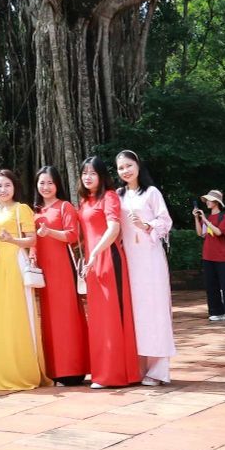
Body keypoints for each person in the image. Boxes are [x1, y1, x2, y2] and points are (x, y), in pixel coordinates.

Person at [0, 169, 50, 390]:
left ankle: (23, 369)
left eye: (7, 185)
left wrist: (11, 240)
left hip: (17, 264)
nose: (3, 190)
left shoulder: (22, 209)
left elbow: (32, 240)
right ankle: (1, 369)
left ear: (14, 187)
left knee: (19, 314)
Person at [79, 156, 141, 388]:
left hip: (108, 259)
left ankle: (116, 374)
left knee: (112, 316)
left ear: (102, 175)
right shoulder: (85, 201)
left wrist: (96, 252)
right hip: (92, 262)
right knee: (98, 319)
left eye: (92, 173)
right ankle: (102, 372)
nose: (87, 177)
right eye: (84, 173)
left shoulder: (110, 197)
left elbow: (113, 229)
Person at [115, 150, 175, 386]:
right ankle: (137, 367)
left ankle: (157, 370)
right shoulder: (118, 195)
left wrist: (147, 225)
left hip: (150, 258)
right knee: (134, 312)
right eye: (121, 168)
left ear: (138, 165)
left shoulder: (151, 193)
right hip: (128, 258)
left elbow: (165, 222)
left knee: (154, 309)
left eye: (129, 165)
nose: (125, 171)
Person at [33, 165, 89, 386]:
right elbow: (32, 241)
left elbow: (72, 235)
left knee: (66, 317)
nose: (46, 187)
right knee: (48, 320)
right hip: (42, 271)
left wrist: (49, 232)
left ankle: (73, 369)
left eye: (50, 182)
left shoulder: (64, 206)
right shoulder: (35, 212)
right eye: (42, 183)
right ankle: (54, 369)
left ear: (57, 184)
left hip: (62, 270)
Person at [193, 189, 225, 322]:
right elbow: (201, 233)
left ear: (216, 202)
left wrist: (204, 219)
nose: (207, 202)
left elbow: (219, 232)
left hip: (222, 255)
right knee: (211, 285)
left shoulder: (224, 216)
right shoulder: (208, 217)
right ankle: (216, 312)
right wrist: (197, 218)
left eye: (209, 200)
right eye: (207, 200)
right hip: (208, 255)